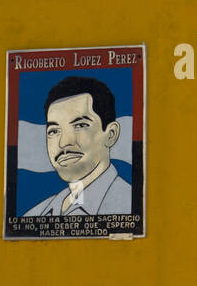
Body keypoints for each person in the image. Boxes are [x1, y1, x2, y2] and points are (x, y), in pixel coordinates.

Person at [23, 76, 132, 217]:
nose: (64, 143)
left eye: (80, 125)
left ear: (111, 134)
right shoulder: (34, 215)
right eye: (54, 131)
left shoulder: (130, 206)